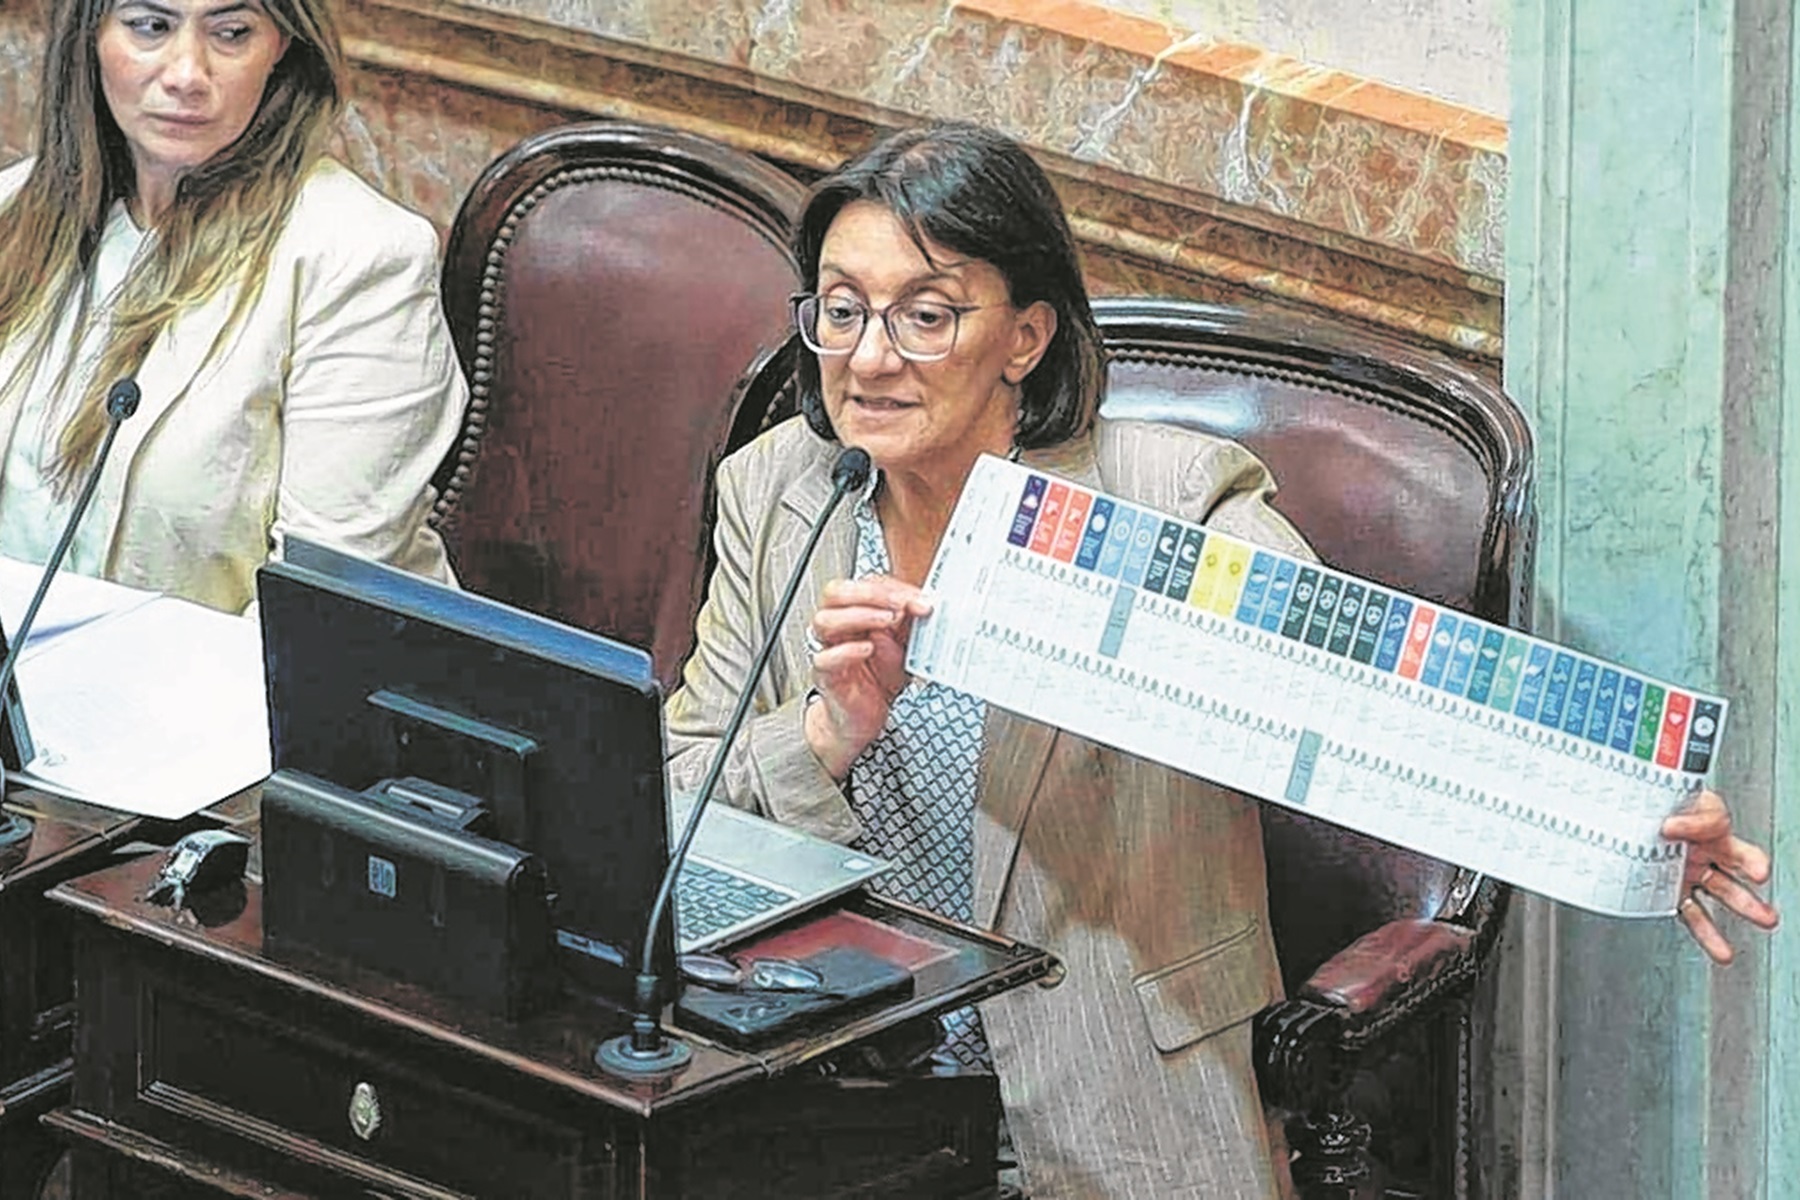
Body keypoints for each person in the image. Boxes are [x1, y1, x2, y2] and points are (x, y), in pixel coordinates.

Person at [664, 121, 1779, 1198]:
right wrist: (824, 737)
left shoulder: (1172, 502)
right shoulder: (784, 491)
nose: (869, 359)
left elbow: (1375, 703)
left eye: (924, 315)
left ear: (1026, 335)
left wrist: (1625, 822)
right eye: (844, 311)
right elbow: (673, 801)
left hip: (1117, 1104)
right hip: (828, 1089)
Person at [0, 0, 467, 614]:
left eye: (230, 33)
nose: (186, 74)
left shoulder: (363, 259)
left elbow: (319, 608)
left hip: (243, 694)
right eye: (150, 27)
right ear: (90, 37)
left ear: (280, 47)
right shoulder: (14, 210)